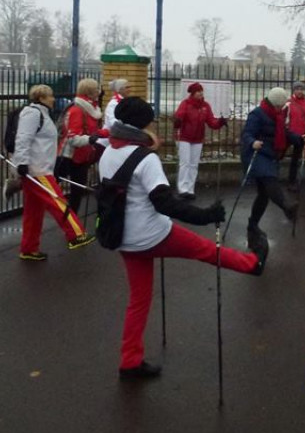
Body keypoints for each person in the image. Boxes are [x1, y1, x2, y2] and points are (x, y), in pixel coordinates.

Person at [99, 97, 266, 379]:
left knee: (138, 301)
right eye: (151, 120)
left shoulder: (108, 152)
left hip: (124, 239)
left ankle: (129, 361)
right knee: (206, 250)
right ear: (143, 124)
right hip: (152, 235)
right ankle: (252, 264)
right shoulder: (146, 158)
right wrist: (206, 215)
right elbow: (165, 203)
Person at [14, 84, 95, 261]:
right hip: (37, 169)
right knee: (58, 202)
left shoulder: (42, 114)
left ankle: (29, 247)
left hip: (39, 168)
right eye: (50, 96)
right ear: (41, 98)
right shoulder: (33, 113)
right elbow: (23, 139)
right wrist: (21, 163)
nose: (53, 99)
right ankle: (76, 234)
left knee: (33, 211)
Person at [241, 87, 301, 249]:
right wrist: (252, 142)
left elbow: (284, 133)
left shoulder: (277, 115)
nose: (281, 109)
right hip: (256, 153)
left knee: (263, 195)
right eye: (279, 106)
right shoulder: (257, 114)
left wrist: (299, 139)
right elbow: (247, 133)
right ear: (272, 103)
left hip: (269, 155)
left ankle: (252, 225)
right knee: (270, 180)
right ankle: (286, 206)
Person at [56, 77, 108, 217]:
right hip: (69, 156)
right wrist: (91, 139)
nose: (99, 91)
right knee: (64, 191)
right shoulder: (77, 110)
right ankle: (70, 224)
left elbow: (92, 131)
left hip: (83, 156)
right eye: (97, 89)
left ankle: (72, 224)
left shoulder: (91, 109)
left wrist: (108, 133)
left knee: (77, 193)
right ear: (89, 92)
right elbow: (73, 138)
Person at [172, 82, 227, 199]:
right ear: (193, 93)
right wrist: (178, 120)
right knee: (185, 163)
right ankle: (182, 189)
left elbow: (211, 122)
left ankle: (190, 189)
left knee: (193, 165)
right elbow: (179, 116)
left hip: (197, 139)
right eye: (198, 91)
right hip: (184, 137)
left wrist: (220, 122)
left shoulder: (205, 106)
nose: (200, 93)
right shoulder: (185, 104)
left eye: (201, 91)